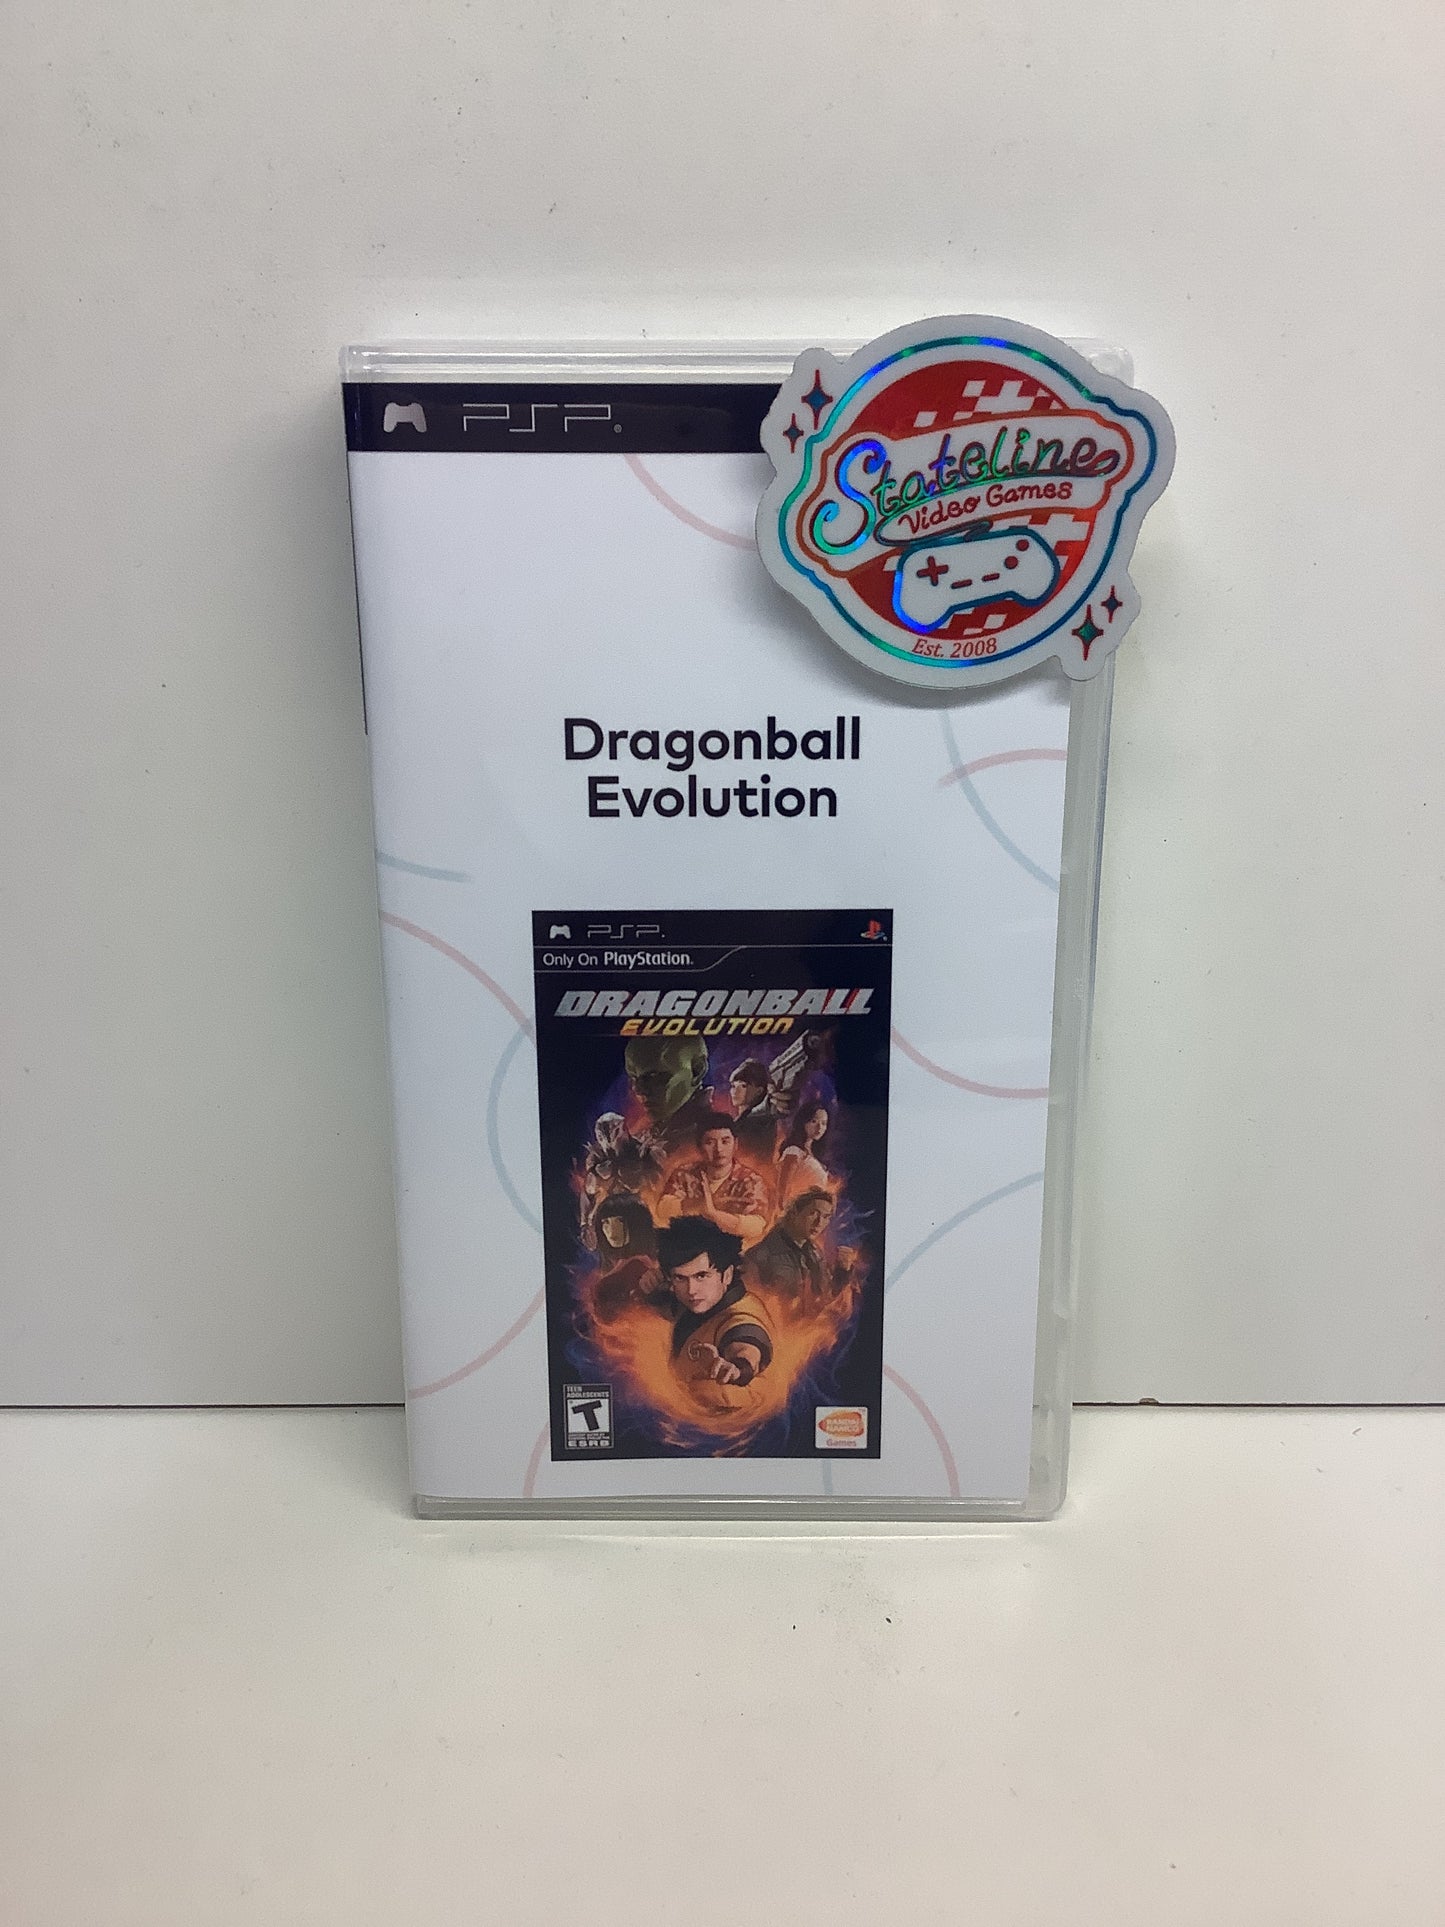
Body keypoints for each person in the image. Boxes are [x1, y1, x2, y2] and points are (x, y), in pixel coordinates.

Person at [656, 1216, 774, 1414]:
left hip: (729, 1420)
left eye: (701, 1276)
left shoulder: (742, 1314)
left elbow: (747, 1340)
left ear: (726, 1275)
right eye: (680, 1278)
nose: (691, 1290)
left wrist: (737, 1367)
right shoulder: (700, 1301)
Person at [655, 1113, 769, 1245]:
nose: (718, 1149)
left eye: (725, 1142)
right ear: (699, 1147)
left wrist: (713, 1213)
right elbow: (663, 1209)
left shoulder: (751, 1180)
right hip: (687, 1246)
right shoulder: (684, 1174)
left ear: (735, 1144)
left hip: (730, 1250)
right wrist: (697, 1205)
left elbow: (757, 1225)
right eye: (709, 1143)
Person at [745, 1187, 854, 1305]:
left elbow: (824, 1299)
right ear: (794, 1213)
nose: (819, 1223)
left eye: (825, 1217)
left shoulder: (816, 1255)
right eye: (813, 1214)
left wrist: (842, 1271)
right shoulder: (760, 1256)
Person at [623, 1033, 717, 1159]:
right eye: (634, 1078)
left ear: (697, 1071)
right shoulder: (647, 1135)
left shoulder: (709, 1137)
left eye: (655, 1077)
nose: (639, 1090)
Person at [588, 1192, 663, 1320]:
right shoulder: (613, 1266)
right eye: (605, 1222)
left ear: (637, 1223)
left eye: (619, 1221)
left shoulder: (642, 1266)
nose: (611, 1230)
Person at [776, 1099, 833, 1209]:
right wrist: (784, 1208)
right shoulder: (794, 1151)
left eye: (823, 1123)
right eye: (814, 1121)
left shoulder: (816, 1157)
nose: (819, 1127)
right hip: (795, 1209)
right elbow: (783, 1185)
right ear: (803, 1122)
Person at [728, 1058, 778, 1163]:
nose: (735, 1091)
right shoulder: (742, 1120)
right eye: (733, 1086)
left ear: (759, 1091)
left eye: (743, 1086)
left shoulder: (759, 1120)